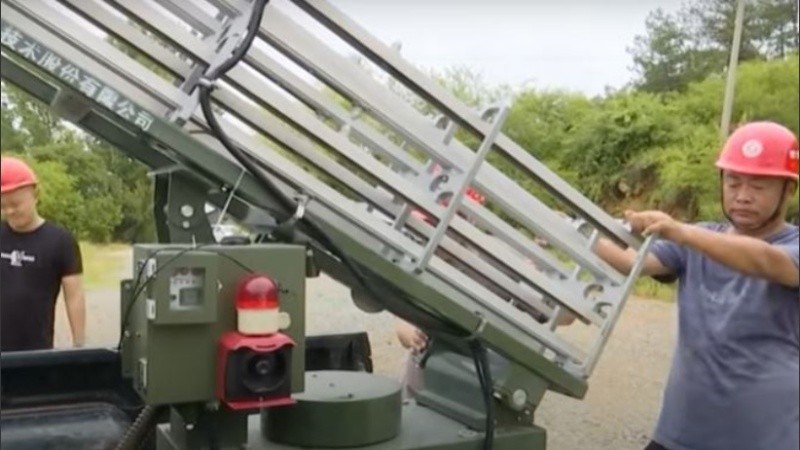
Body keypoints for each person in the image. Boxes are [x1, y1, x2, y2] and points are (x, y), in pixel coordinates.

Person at [593, 121, 799, 450]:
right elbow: (633, 262)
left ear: (788, 190)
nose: (742, 196)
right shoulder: (701, 237)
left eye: (758, 186)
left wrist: (681, 231)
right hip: (680, 434)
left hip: (764, 438)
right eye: (733, 183)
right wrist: (574, 229)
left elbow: (765, 261)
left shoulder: (791, 246)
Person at [1, 156, 86, 351]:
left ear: (35, 194)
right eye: (2, 206)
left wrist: (79, 345)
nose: (9, 211)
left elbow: (74, 295)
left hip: (36, 351)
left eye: (15, 204)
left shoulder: (61, 241)